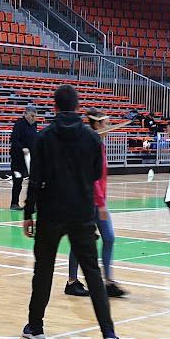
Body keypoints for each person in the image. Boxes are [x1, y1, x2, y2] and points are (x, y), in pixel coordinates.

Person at [22, 85, 119, 339]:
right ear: (78, 107)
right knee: (92, 272)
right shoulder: (92, 138)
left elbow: (35, 179)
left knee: (43, 270)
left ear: (54, 107)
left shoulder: (44, 137)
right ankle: (108, 331)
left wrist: (28, 213)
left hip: (50, 212)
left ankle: (36, 327)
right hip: (82, 212)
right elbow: (96, 173)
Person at [64, 112, 125, 299]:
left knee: (109, 238)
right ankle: (72, 281)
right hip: (89, 201)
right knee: (80, 241)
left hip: (98, 200)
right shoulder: (90, 145)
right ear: (97, 125)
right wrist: (101, 203)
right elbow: (93, 178)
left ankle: (108, 282)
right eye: (107, 123)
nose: (110, 126)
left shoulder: (100, 144)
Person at [9, 103, 40, 210]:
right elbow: (14, 140)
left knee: (34, 181)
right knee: (18, 181)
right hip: (18, 158)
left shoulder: (34, 125)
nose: (34, 118)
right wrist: (22, 148)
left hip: (30, 158)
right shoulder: (19, 124)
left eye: (35, 116)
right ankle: (14, 203)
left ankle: (33, 203)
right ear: (26, 114)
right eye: (32, 116)